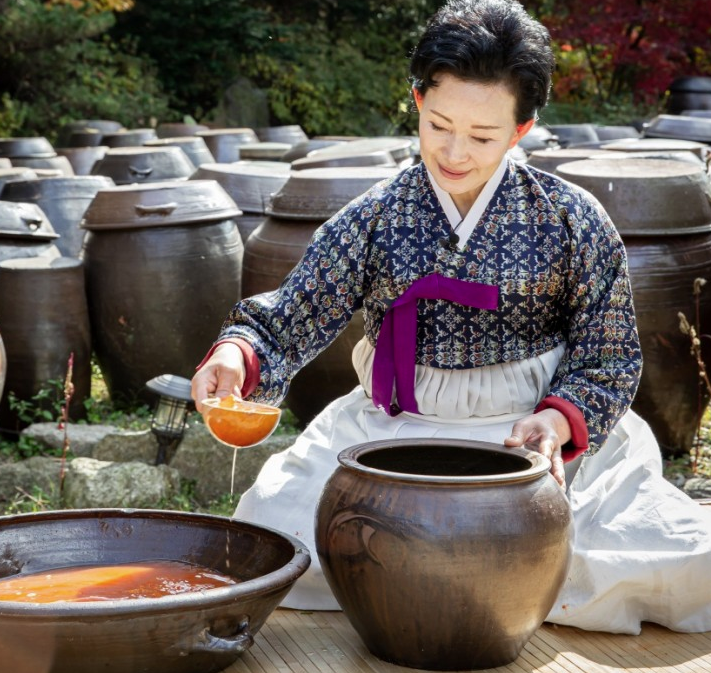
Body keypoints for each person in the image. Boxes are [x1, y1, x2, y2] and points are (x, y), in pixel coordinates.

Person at [192, 0, 711, 635]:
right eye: (439, 125)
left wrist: (557, 420)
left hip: (530, 439)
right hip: (388, 437)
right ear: (417, 101)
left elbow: (608, 354)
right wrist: (237, 354)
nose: (455, 152)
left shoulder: (571, 218)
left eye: (483, 136)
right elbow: (289, 316)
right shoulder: (375, 215)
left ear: (522, 129)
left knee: (666, 560)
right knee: (270, 541)